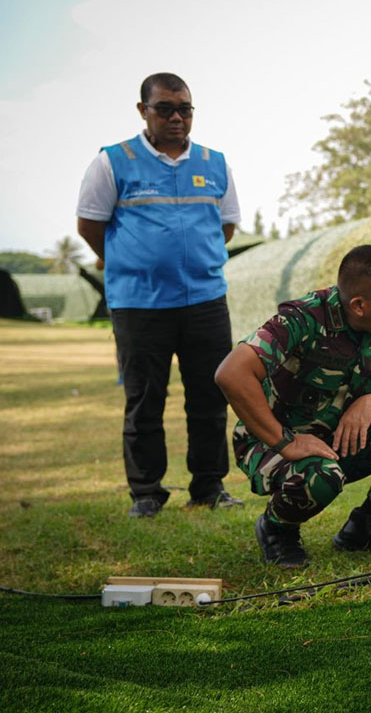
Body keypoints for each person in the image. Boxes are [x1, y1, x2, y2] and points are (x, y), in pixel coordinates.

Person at [214, 245, 371, 568]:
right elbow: (231, 373)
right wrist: (286, 441)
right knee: (321, 474)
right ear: (359, 305)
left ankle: (365, 526)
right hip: (272, 444)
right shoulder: (303, 318)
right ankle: (277, 529)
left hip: (338, 441)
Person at [76, 72, 242, 518]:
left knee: (210, 397)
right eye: (165, 108)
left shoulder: (215, 162)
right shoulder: (113, 161)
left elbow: (225, 226)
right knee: (145, 399)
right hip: (138, 303)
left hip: (205, 300)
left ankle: (208, 487)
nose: (176, 117)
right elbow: (90, 225)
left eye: (184, 109)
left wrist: (193, 258)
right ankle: (146, 493)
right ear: (142, 111)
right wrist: (132, 261)